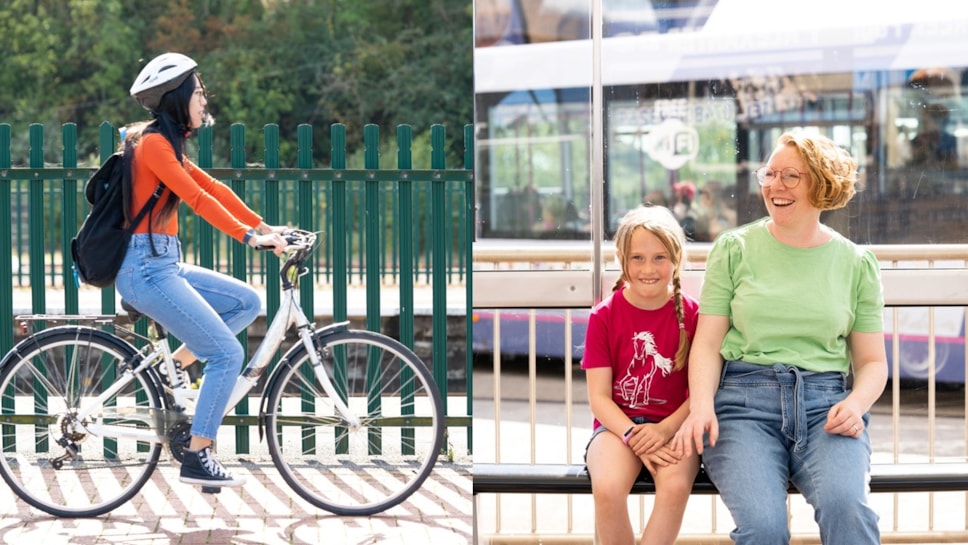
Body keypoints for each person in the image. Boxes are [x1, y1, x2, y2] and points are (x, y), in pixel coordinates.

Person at [674, 132, 887, 545]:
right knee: (764, 528)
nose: (775, 186)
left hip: (826, 406)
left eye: (791, 176)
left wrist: (856, 404)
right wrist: (701, 406)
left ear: (822, 183)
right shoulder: (734, 248)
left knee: (850, 511)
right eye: (769, 174)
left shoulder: (857, 264)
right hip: (742, 406)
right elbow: (706, 342)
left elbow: (873, 362)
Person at [117, 52, 288, 487]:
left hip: (162, 263)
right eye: (198, 92)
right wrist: (249, 239)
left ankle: (169, 368)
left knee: (246, 302)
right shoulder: (152, 144)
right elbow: (197, 199)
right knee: (227, 355)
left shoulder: (165, 143)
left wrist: (264, 226)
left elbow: (213, 188)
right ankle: (198, 455)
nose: (203, 99)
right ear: (176, 98)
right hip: (145, 268)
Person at [582, 205, 700, 545]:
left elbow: (701, 392)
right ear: (623, 260)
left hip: (675, 426)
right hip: (617, 427)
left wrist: (663, 429)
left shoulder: (693, 316)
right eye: (638, 258)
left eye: (659, 257)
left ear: (676, 259)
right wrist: (633, 434)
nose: (648, 268)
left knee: (675, 485)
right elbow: (599, 398)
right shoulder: (603, 316)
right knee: (606, 487)